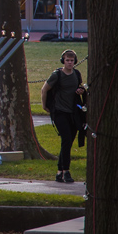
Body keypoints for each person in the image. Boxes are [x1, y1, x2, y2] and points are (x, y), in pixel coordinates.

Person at [41, 49, 87, 183]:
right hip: (60, 111)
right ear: (63, 61)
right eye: (67, 60)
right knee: (66, 139)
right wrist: (44, 105)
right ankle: (66, 171)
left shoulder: (76, 74)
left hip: (72, 112)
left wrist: (81, 90)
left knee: (67, 142)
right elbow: (44, 89)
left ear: (75, 62)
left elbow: (79, 88)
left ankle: (59, 172)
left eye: (72, 61)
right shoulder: (57, 75)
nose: (69, 63)